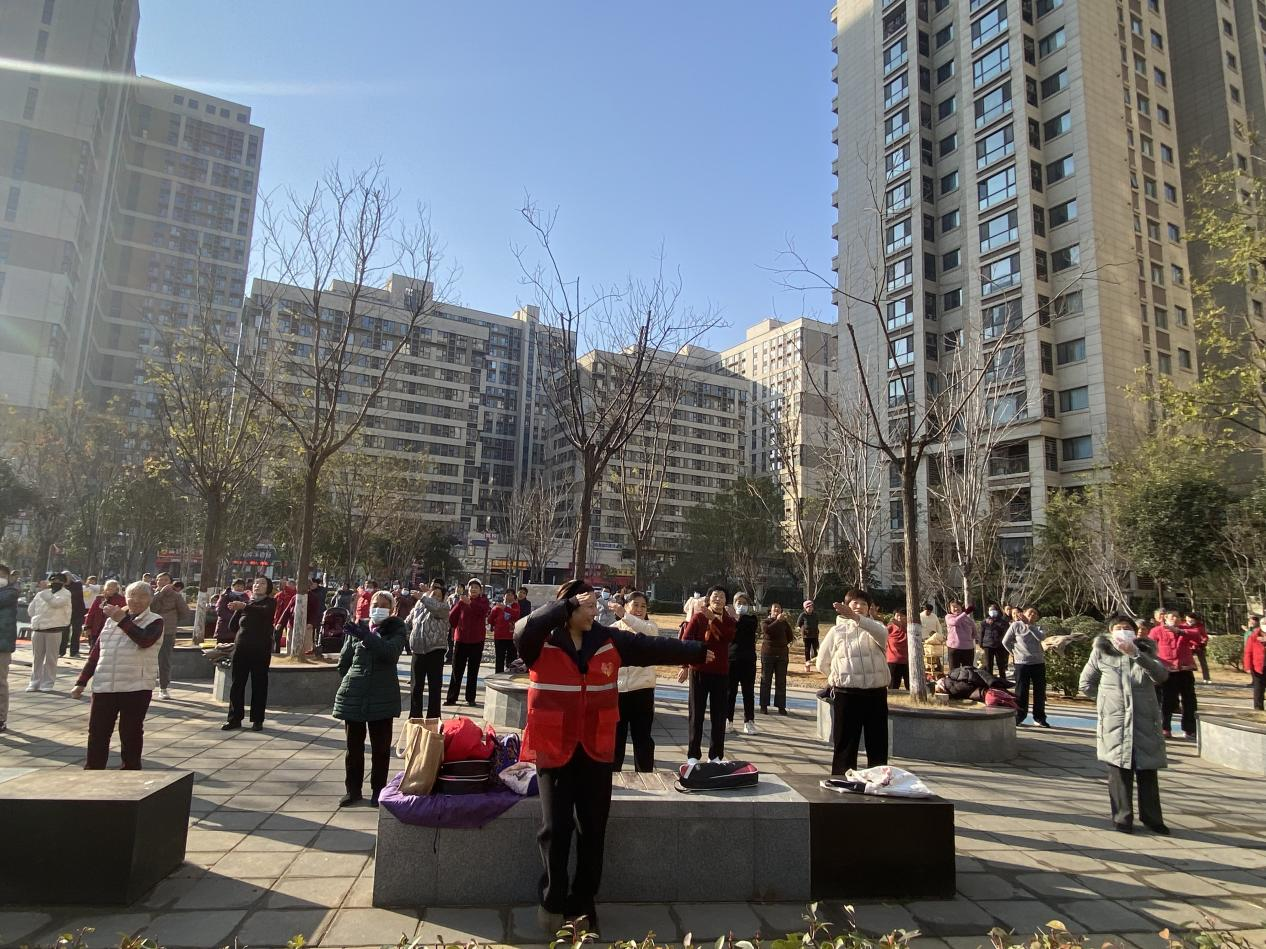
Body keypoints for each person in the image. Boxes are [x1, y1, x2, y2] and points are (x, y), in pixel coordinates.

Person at [515, 580, 708, 935]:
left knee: (593, 828)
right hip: (554, 747)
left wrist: (695, 651)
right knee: (555, 829)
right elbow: (522, 628)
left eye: (595, 606)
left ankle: (583, 903)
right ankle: (552, 899)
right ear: (569, 608)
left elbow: (651, 647)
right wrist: (563, 606)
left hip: (596, 747)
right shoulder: (539, 641)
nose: (596, 611)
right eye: (588, 606)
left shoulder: (607, 639)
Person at [1079, 616, 1170, 834]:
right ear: (1110, 632)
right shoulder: (1102, 651)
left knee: (1147, 770)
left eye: (1127, 628)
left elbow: (1161, 675)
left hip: (1144, 720)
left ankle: (1152, 818)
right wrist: (1106, 702)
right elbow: (1086, 683)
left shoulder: (1145, 650)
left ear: (1135, 631)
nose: (1123, 631)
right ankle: (1122, 818)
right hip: (1115, 722)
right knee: (1119, 771)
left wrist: (1136, 654)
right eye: (1118, 628)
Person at [70, 581, 163, 770]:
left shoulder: (155, 621)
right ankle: (93, 771)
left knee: (130, 733)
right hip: (104, 685)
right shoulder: (111, 620)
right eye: (132, 595)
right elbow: (97, 652)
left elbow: (144, 640)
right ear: (125, 597)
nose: (136, 600)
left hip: (135, 686)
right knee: (97, 733)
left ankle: (130, 771)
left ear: (150, 599)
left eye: (142, 596)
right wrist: (82, 681)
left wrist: (122, 620)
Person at [334, 590, 408, 806]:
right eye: (375, 604)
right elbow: (344, 661)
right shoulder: (358, 627)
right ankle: (353, 790)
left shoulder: (397, 628)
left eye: (384, 605)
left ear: (392, 609)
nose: (378, 608)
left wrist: (367, 637)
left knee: (381, 748)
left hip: (382, 695)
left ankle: (378, 791)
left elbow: (390, 653)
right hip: (355, 694)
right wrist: (352, 680)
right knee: (353, 747)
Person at [818, 590, 890, 775]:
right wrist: (838, 676)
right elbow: (821, 662)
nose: (859, 607)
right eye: (854, 603)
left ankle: (878, 779)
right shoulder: (836, 631)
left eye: (863, 604)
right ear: (846, 605)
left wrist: (856, 618)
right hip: (846, 694)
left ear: (869, 608)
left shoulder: (877, 628)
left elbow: (881, 634)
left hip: (876, 693)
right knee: (845, 742)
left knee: (877, 742)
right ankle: (842, 780)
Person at [679, 585, 736, 766]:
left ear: (726, 601)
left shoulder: (729, 620)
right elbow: (686, 641)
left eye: (722, 596)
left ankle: (716, 755)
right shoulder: (698, 617)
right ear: (708, 599)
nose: (718, 599)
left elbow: (728, 637)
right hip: (699, 671)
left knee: (719, 716)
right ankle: (693, 755)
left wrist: (714, 620)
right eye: (715, 596)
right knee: (696, 714)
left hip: (721, 673)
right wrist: (685, 665)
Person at [613, 591, 660, 772]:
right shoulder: (614, 629)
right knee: (616, 738)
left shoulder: (650, 627)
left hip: (642, 691)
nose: (639, 609)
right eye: (635, 605)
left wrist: (625, 616)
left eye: (643, 606)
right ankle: (613, 774)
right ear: (626, 605)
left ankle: (645, 775)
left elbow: (645, 631)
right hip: (618, 692)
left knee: (642, 738)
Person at [223, 577, 276, 732]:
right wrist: (238, 609)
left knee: (259, 684)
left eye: (262, 583)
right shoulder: (247, 603)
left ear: (268, 588)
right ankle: (234, 718)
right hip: (241, 648)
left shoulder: (270, 603)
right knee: (237, 684)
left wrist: (244, 607)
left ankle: (257, 720)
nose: (258, 585)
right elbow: (233, 626)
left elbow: (264, 612)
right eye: (256, 583)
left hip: (260, 649)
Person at [1149, 609, 1199, 739]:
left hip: (1185, 670)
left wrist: (1180, 631)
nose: (1175, 619)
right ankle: (1165, 727)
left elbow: (1198, 636)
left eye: (1177, 617)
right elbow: (1150, 647)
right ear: (1165, 618)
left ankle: (1189, 729)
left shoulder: (1186, 630)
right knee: (1167, 700)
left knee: (1189, 700)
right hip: (1167, 671)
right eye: (1172, 617)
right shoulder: (1157, 631)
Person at [406, 580, 451, 719]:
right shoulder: (420, 605)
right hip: (418, 650)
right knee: (416, 686)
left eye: (438, 595)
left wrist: (424, 597)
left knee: (434, 687)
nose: (435, 597)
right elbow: (408, 621)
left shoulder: (444, 607)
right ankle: (415, 717)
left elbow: (436, 608)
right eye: (433, 594)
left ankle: (434, 718)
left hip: (435, 650)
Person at [1003, 606, 1050, 727]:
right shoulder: (1016, 625)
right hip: (1022, 663)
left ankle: (1039, 718)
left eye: (1035, 613)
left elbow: (1041, 638)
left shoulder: (1039, 627)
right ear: (1023, 613)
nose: (1032, 614)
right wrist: (1013, 653)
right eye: (1030, 612)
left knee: (1039, 692)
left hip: (1038, 663)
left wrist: (1029, 625)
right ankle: (1019, 716)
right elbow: (1005, 641)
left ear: (1037, 617)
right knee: (1021, 692)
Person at [447, 578, 491, 705]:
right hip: (461, 640)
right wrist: (458, 605)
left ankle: (470, 698)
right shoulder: (462, 601)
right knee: (456, 670)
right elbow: (452, 617)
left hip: (477, 640)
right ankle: (452, 698)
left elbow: (482, 612)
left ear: (480, 590)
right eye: (471, 587)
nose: (473, 589)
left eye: (476, 587)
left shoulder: (483, 601)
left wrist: (470, 603)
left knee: (473, 671)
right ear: (468, 589)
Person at [26, 573, 72, 692]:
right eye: (54, 580)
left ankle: (47, 683)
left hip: (54, 629)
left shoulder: (66, 594)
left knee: (51, 658)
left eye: (59, 580)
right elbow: (31, 610)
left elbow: (55, 604)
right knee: (37, 658)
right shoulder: (40, 594)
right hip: (38, 629)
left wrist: (45, 591)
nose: (56, 582)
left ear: (63, 583)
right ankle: (34, 682)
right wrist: (37, 618)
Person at [150, 572, 192, 699]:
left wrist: (172, 619)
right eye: (159, 579)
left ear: (170, 582)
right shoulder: (151, 593)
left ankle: (163, 687)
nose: (162, 582)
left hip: (167, 631)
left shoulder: (176, 596)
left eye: (165, 580)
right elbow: (150, 607)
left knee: (164, 660)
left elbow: (185, 612)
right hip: (150, 630)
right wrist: (160, 593)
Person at [726, 592, 758, 735]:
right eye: (738, 602)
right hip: (731, 660)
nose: (741, 605)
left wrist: (737, 617)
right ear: (733, 604)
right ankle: (728, 720)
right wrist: (732, 617)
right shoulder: (728, 620)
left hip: (748, 660)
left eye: (744, 603)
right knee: (730, 692)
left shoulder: (752, 619)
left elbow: (745, 628)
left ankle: (749, 721)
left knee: (748, 692)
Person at [759, 602, 793, 714]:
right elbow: (767, 631)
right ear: (771, 610)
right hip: (768, 654)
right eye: (775, 608)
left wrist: (782, 644)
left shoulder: (784, 623)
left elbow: (790, 636)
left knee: (781, 681)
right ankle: (764, 705)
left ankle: (781, 706)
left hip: (782, 655)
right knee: (766, 680)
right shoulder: (765, 621)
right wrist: (777, 621)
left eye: (779, 608)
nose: (777, 609)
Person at [0, 563, 17, 733]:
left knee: (0, 683)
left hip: (2, 645)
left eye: (2, 576)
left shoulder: (10, 592)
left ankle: (1, 718)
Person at [85, 579, 125, 646]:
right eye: (108, 587)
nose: (109, 589)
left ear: (116, 589)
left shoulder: (121, 600)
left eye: (112, 587)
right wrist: (88, 627)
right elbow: (91, 613)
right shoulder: (99, 598)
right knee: (93, 648)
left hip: (112, 631)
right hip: (96, 629)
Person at [490, 590, 521, 674]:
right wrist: (496, 624)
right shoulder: (497, 607)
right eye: (507, 594)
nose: (509, 596)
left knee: (512, 657)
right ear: (504, 596)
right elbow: (490, 619)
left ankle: (510, 674)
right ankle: (498, 674)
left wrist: (505, 608)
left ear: (514, 597)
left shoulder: (516, 606)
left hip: (512, 636)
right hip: (499, 635)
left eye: (511, 595)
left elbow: (516, 614)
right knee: (499, 657)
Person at [980, 603, 1011, 679]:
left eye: (994, 610)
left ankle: (1003, 680)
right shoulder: (985, 621)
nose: (992, 611)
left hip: (999, 646)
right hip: (988, 645)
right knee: (988, 665)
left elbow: (1006, 633)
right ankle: (989, 681)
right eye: (990, 610)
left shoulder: (1003, 622)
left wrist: (994, 624)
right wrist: (981, 643)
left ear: (998, 611)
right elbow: (981, 633)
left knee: (1001, 665)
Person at [945, 600, 977, 671]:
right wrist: (966, 612)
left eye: (958, 606)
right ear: (949, 608)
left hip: (968, 649)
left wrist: (967, 640)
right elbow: (955, 622)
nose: (956, 608)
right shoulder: (949, 617)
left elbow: (974, 633)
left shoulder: (969, 620)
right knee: (954, 672)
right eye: (953, 607)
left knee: (968, 672)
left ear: (961, 607)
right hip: (954, 648)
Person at [213, 578, 249, 643]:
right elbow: (220, 610)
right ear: (233, 586)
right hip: (224, 628)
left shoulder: (246, 597)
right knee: (223, 647)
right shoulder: (225, 596)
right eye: (238, 586)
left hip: (239, 629)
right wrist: (233, 618)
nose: (240, 588)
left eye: (242, 587)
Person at [1181, 612, 1212, 685]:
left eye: (1191, 618)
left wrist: (1203, 642)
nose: (1189, 619)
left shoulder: (1199, 626)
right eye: (1188, 618)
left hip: (1199, 646)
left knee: (1203, 663)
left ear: (1195, 619)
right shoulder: (1182, 626)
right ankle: (1187, 678)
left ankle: (1206, 678)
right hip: (1188, 647)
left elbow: (1205, 636)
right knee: (1187, 663)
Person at [60, 573, 86, 658]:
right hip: (65, 612)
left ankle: (74, 652)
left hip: (78, 612)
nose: (65, 578)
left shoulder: (77, 585)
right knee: (64, 632)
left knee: (76, 632)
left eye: (67, 576)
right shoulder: (61, 586)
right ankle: (61, 651)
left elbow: (73, 594)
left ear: (70, 577)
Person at [1245, 618, 1266, 712]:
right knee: (1259, 688)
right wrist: (1248, 666)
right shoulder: (1253, 636)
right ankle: (1258, 708)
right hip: (1257, 666)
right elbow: (1248, 652)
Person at [273, 579, 297, 654]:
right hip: (285, 619)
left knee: (279, 637)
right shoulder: (280, 595)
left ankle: (277, 652)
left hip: (284, 619)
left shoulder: (282, 595)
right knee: (281, 637)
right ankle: (283, 652)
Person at [886, 608, 909, 690]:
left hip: (908, 661)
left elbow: (911, 634)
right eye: (897, 616)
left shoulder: (910, 627)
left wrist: (900, 625)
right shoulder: (890, 627)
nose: (899, 618)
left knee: (911, 686)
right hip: (893, 660)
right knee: (893, 687)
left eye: (902, 616)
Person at [798, 599, 820, 670]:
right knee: (807, 650)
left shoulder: (815, 615)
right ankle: (807, 665)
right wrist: (804, 629)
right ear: (805, 608)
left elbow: (817, 622)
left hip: (815, 635)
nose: (810, 608)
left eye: (811, 606)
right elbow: (799, 623)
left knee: (816, 649)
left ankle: (817, 664)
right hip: (806, 636)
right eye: (808, 607)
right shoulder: (803, 615)